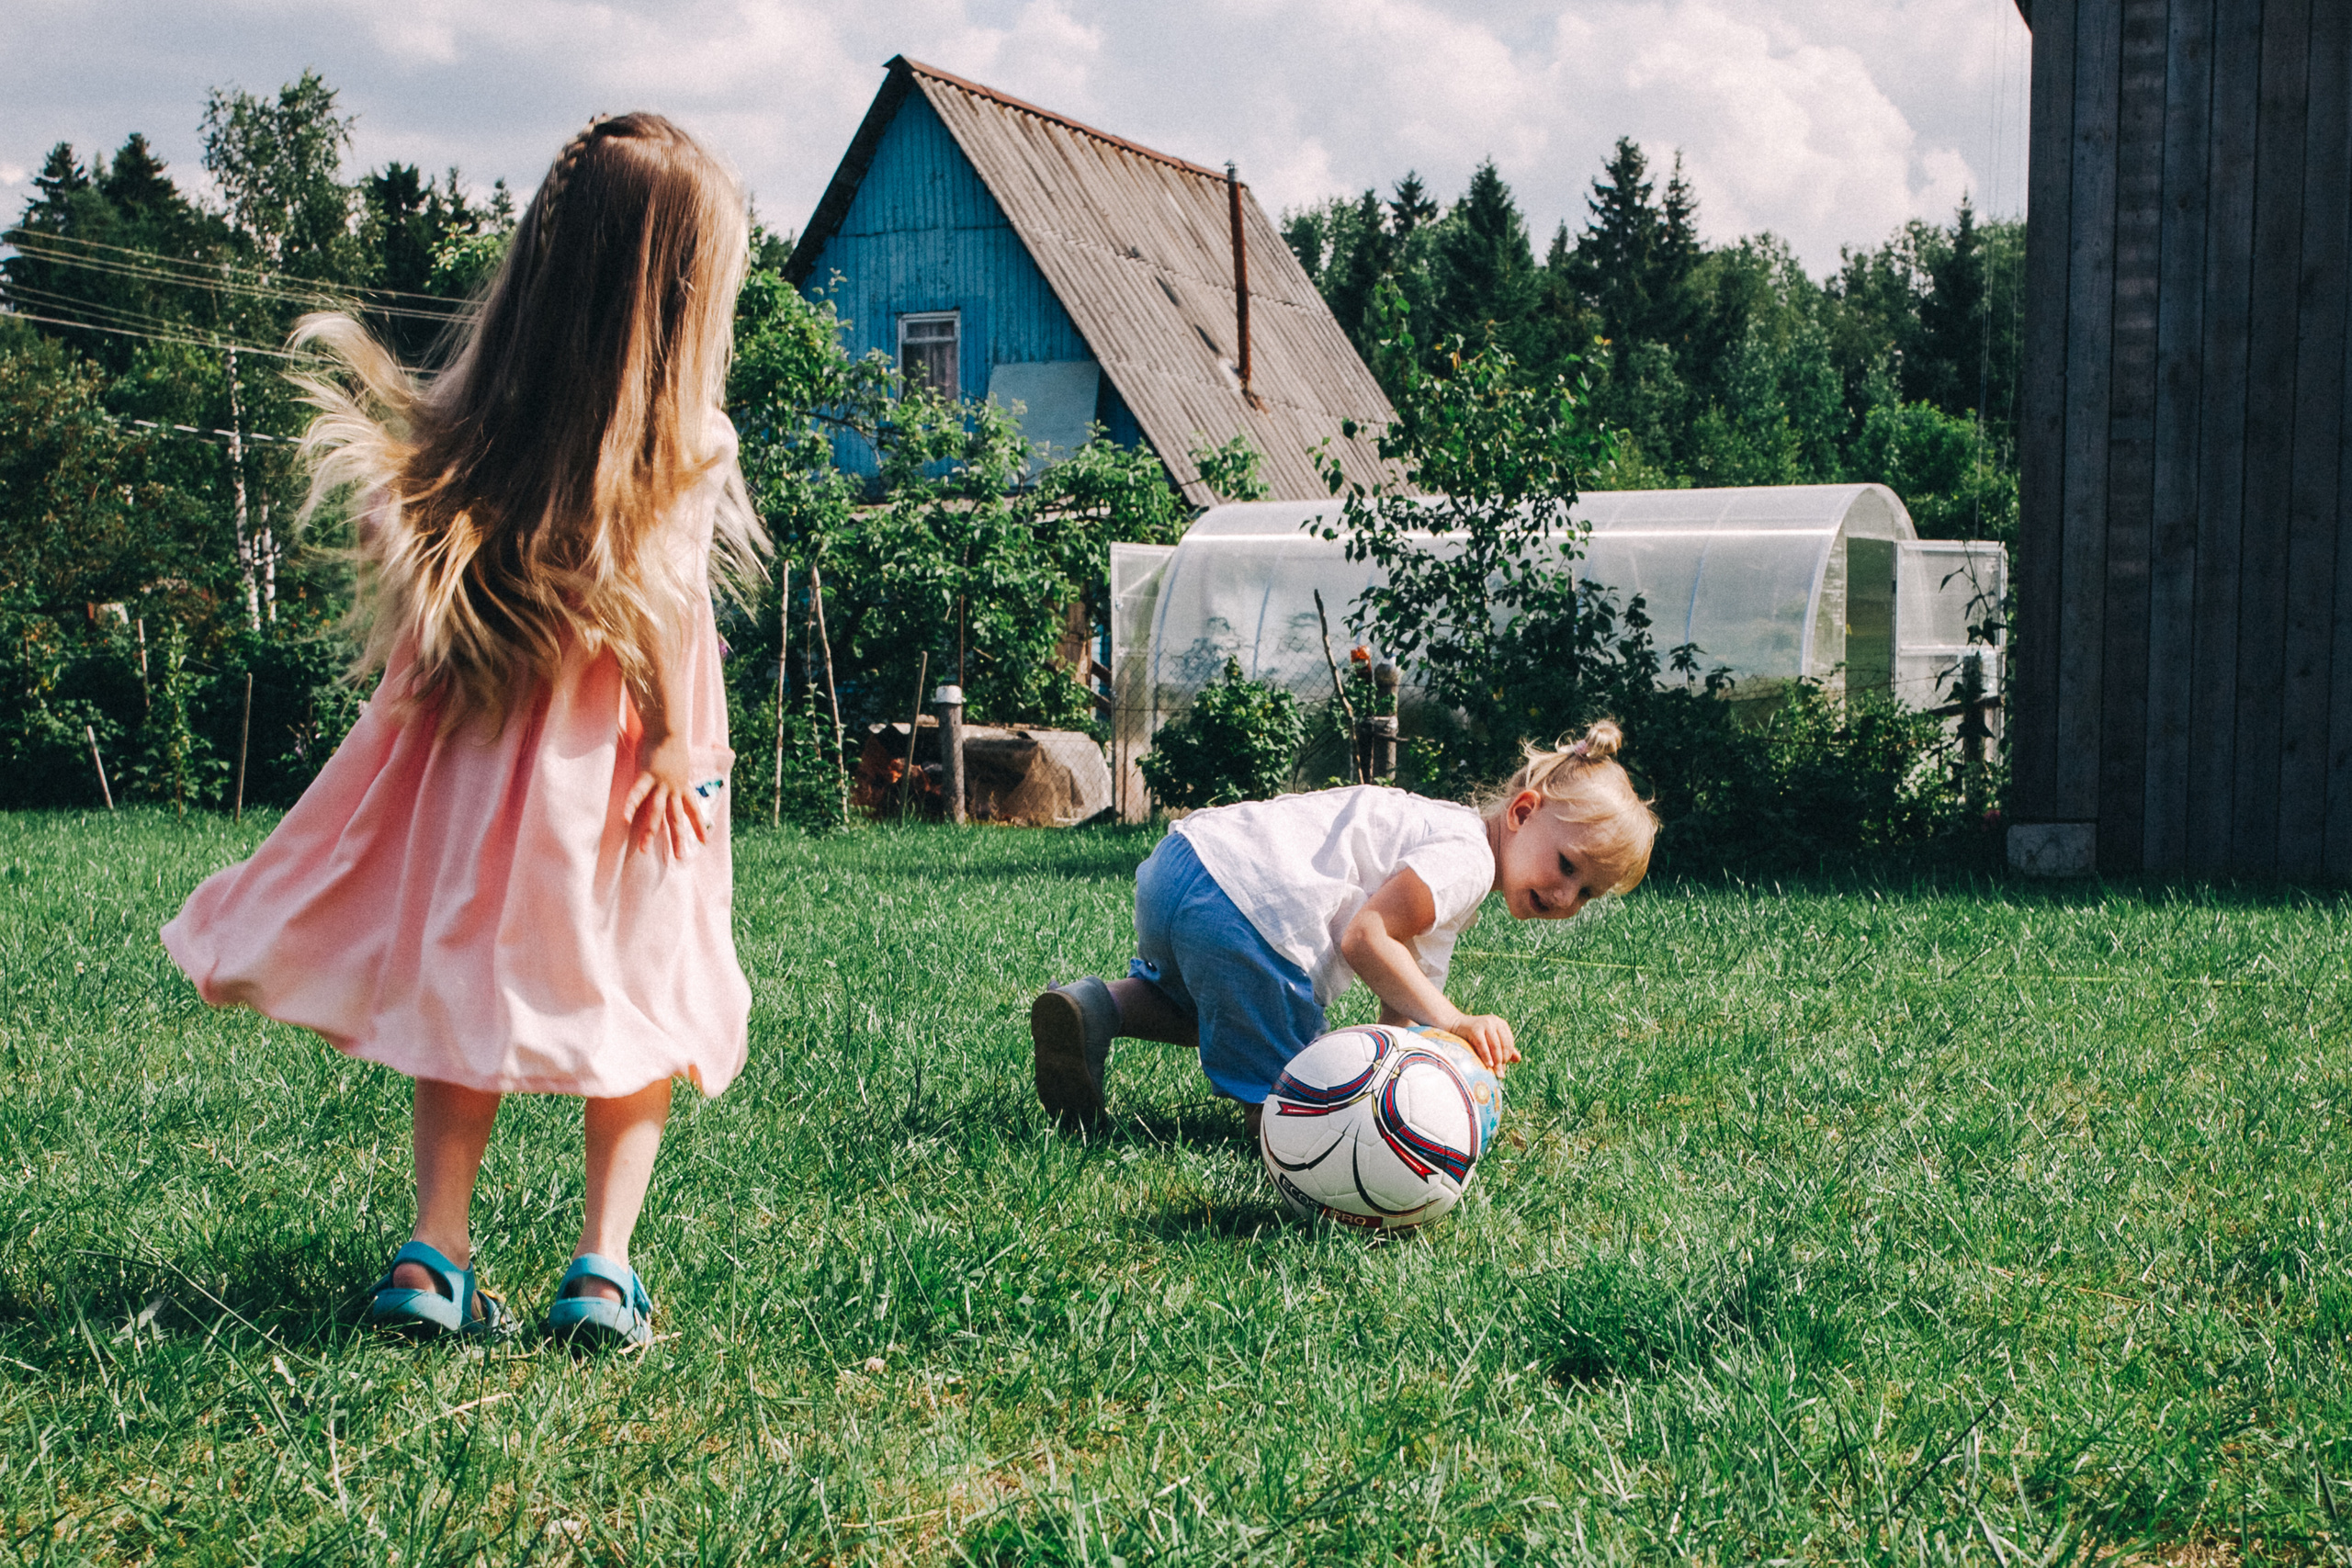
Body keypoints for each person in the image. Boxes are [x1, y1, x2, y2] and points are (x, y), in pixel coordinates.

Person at [162, 113, 763, 1348]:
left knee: (472, 989)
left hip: (487, 758)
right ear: (685, 297)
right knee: (639, 996)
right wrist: (664, 743)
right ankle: (603, 1265)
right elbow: (661, 594)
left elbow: (408, 526)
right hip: (634, 774)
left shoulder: (480, 432)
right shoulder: (688, 446)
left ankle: (434, 1249)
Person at [1031, 721, 1658, 1134]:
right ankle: (1280, 1140)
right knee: (1306, 1111)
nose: (1565, 894)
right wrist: (1457, 1021)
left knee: (1212, 1008)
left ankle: (1097, 1007)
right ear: (1523, 812)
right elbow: (1366, 938)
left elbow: (1398, 1010)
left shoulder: (1446, 841)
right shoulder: (1468, 857)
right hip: (1249, 910)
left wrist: (1401, 1075)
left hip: (1182, 869)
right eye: (1568, 865)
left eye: (1587, 892)